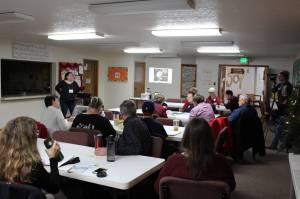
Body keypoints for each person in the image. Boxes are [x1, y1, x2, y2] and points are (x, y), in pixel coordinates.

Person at [155, 118, 236, 193]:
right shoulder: (221, 162)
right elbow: (230, 186)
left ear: (186, 137)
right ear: (210, 138)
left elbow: (158, 187)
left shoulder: (173, 161)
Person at [0, 117, 61, 195]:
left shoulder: (2, 161)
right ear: (29, 139)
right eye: (36, 133)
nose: (37, 135)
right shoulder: (32, 167)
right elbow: (54, 188)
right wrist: (53, 159)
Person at [229, 94, 265, 160]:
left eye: (239, 100)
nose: (238, 102)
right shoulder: (253, 110)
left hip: (240, 135)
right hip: (252, 135)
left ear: (243, 101)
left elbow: (229, 120)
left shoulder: (239, 111)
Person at [269, 71, 293, 149]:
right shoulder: (280, 84)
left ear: (284, 77)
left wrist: (282, 105)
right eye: (278, 76)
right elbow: (273, 91)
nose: (278, 77)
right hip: (279, 107)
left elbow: (287, 99)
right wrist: (274, 83)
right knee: (279, 126)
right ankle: (281, 143)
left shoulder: (288, 86)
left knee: (279, 127)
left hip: (285, 109)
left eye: (280, 76)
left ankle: (282, 143)